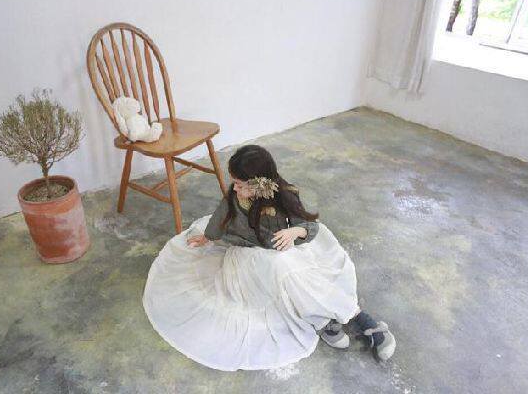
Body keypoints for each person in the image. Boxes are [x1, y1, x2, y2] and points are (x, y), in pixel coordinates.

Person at [142, 145, 395, 371]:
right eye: (234, 182)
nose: (235, 188)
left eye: (241, 184)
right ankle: (339, 320)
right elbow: (220, 217)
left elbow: (308, 224)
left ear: (260, 182)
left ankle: (349, 319)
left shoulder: (284, 194)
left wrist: (295, 232)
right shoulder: (235, 196)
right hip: (245, 256)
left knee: (291, 271)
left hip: (280, 252)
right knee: (279, 268)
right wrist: (208, 237)